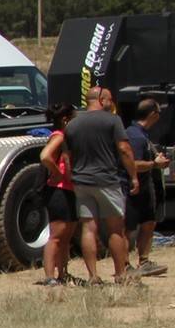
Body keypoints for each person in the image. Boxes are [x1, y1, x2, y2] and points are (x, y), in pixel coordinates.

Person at [65, 85, 137, 284]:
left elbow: (67, 157)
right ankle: (121, 275)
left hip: (81, 182)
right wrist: (133, 176)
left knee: (88, 228)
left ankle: (93, 276)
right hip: (107, 181)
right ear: (102, 99)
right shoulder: (112, 120)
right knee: (115, 229)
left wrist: (74, 177)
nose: (112, 103)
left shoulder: (72, 124)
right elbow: (124, 149)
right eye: (110, 99)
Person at [121, 94, 169, 276]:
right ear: (152, 115)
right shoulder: (134, 136)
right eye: (158, 112)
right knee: (129, 228)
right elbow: (132, 164)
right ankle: (124, 265)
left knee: (149, 223)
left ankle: (144, 261)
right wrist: (155, 164)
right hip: (132, 188)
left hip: (145, 187)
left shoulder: (142, 135)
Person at [37, 99, 79, 287]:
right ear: (65, 119)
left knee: (67, 235)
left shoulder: (64, 136)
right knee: (56, 235)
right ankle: (49, 275)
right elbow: (45, 156)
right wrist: (57, 172)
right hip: (58, 191)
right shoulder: (59, 136)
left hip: (68, 189)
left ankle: (63, 273)